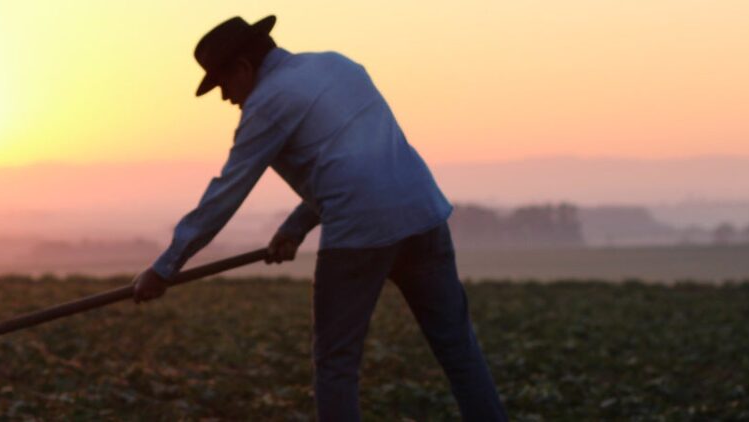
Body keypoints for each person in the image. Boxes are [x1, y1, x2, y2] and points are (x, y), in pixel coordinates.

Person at [130, 15, 508, 421]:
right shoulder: (338, 65)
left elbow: (224, 196)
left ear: (242, 68)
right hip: (423, 215)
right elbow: (356, 166)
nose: (225, 98)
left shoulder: (266, 105)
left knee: (336, 364)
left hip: (359, 234)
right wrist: (295, 228)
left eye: (221, 84)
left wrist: (164, 267)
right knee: (457, 349)